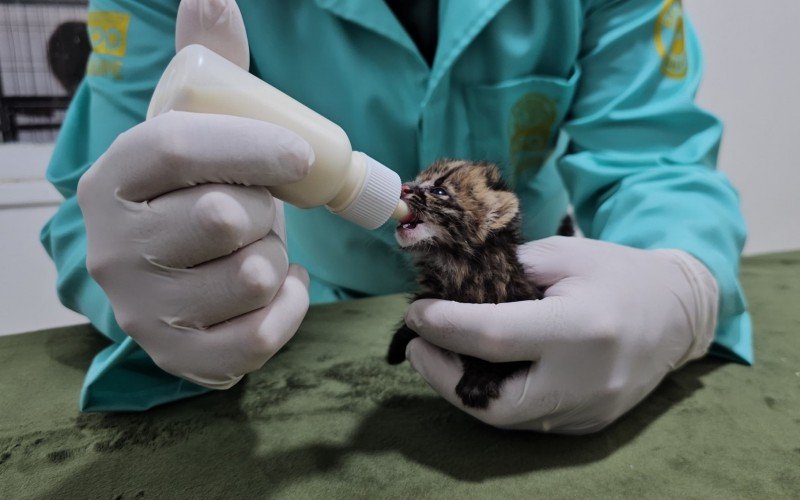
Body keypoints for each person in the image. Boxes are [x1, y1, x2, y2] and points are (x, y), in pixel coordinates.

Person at [42, 0, 750, 433]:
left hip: (529, 291)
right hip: (299, 305)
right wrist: (167, 271)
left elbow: (657, 159)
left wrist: (678, 280)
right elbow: (106, 194)